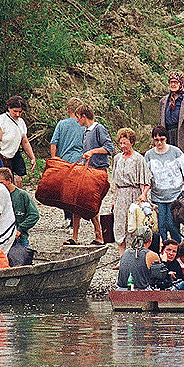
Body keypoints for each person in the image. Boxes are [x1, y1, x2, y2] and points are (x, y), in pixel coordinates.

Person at [68, 104, 114, 246]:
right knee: (76, 202)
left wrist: (93, 152)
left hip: (98, 172)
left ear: (83, 117)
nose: (76, 121)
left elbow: (109, 147)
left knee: (91, 204)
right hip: (87, 171)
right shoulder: (86, 132)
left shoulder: (98, 129)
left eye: (78, 118)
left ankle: (99, 236)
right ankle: (74, 237)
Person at [144, 126, 184, 245]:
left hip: (174, 195)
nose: (159, 142)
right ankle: (163, 250)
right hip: (157, 196)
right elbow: (146, 176)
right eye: (156, 140)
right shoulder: (149, 155)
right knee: (160, 226)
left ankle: (178, 248)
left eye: (162, 139)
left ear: (166, 138)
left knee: (172, 224)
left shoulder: (176, 152)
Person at [110, 128, 151, 252]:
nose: (122, 146)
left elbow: (146, 181)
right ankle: (122, 257)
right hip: (121, 195)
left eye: (125, 143)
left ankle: (133, 254)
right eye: (121, 143)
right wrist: (114, 199)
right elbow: (116, 182)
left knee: (133, 224)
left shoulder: (138, 159)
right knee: (119, 225)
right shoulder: (117, 158)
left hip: (134, 194)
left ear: (131, 143)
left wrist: (143, 194)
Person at [50, 97, 86, 229]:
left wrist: (54, 158)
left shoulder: (61, 124)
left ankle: (67, 217)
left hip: (63, 161)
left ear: (67, 110)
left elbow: (54, 143)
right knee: (76, 191)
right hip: (79, 161)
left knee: (63, 191)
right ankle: (74, 221)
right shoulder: (83, 125)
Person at [0, 96, 37, 185]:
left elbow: (25, 141)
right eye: (15, 111)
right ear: (9, 108)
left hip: (13, 156)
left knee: (17, 180)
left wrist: (32, 157)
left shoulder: (21, 122)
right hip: (0, 157)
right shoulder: (0, 121)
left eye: (20, 112)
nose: (17, 114)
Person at [0, 167, 39, 247]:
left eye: (1, 183)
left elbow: (34, 215)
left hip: (20, 240)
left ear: (9, 180)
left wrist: (20, 229)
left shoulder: (22, 195)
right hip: (1, 239)